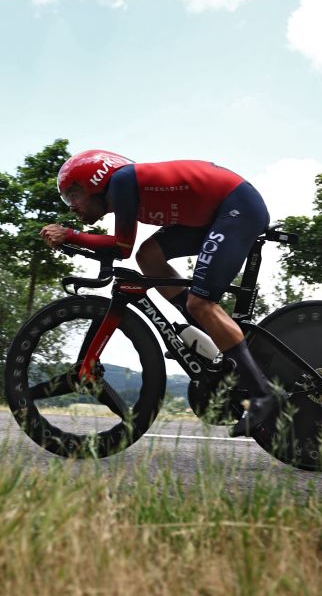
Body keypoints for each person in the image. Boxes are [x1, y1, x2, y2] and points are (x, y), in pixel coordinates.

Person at [40, 149, 281, 437]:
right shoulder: (123, 189)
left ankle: (265, 396)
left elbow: (120, 247)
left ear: (93, 182)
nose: (71, 206)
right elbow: (127, 250)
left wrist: (70, 235)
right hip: (216, 212)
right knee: (149, 256)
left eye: (72, 195)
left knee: (201, 303)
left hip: (236, 206)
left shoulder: (123, 182)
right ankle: (200, 331)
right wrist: (76, 240)